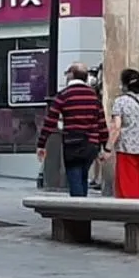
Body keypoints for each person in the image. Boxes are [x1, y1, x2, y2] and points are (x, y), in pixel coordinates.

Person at [37, 63, 108, 197]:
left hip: (72, 142)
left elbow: (50, 121)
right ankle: (83, 204)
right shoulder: (94, 96)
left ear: (71, 75)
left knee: (74, 176)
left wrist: (41, 144)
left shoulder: (63, 95)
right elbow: (101, 122)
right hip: (91, 143)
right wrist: (105, 146)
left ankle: (78, 206)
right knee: (83, 175)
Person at [103, 69, 139, 199]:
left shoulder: (120, 102)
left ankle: (129, 208)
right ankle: (138, 203)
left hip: (126, 148)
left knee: (126, 183)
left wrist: (108, 148)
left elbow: (116, 127)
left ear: (125, 85)